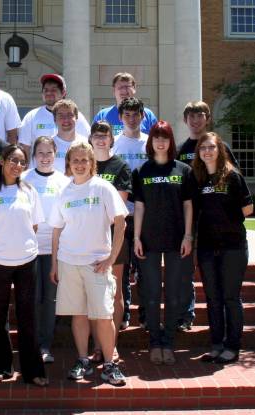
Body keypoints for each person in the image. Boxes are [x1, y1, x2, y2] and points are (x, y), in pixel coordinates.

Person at [48, 141, 128, 386]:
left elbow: (120, 222)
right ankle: (83, 360)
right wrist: (54, 264)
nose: (80, 165)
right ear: (69, 165)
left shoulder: (103, 188)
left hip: (97, 264)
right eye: (75, 161)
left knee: (103, 316)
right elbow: (56, 231)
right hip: (68, 262)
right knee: (79, 315)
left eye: (85, 160)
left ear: (92, 163)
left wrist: (111, 258)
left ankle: (110, 364)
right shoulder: (64, 192)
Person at [0, 144, 48, 387]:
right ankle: (1, 367)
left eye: (22, 162)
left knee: (27, 316)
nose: (17, 166)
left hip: (27, 261)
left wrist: (21, 244)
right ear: (2, 161)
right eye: (13, 160)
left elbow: (34, 225)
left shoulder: (29, 191)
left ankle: (33, 371)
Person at [132, 121, 195, 366]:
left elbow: (189, 204)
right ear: (151, 142)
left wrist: (188, 235)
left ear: (170, 142)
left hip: (176, 240)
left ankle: (168, 341)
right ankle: (155, 342)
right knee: (151, 293)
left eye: (165, 138)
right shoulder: (142, 171)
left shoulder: (183, 171)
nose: (160, 142)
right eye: (157, 138)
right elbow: (139, 206)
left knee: (173, 294)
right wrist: (136, 237)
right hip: (148, 240)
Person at [175, 101, 240, 332]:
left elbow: (236, 184)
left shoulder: (220, 147)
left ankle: (225, 330)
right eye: (191, 116)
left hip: (219, 225)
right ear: (185, 120)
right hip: (191, 219)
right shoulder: (181, 149)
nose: (195, 120)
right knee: (186, 269)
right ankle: (186, 313)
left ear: (208, 118)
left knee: (221, 277)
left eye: (200, 115)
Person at [192, 132, 253, 364]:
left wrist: (226, 220)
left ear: (219, 149)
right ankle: (217, 344)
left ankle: (232, 346)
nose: (207, 151)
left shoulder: (232, 176)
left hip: (233, 247)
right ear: (199, 152)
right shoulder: (198, 178)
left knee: (230, 297)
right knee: (213, 298)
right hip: (207, 248)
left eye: (211, 147)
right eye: (203, 148)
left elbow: (248, 208)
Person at [21, 136, 70, 364]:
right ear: (33, 156)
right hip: (28, 249)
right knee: (31, 299)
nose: (44, 158)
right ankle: (30, 345)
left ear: (55, 154)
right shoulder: (23, 179)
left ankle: (45, 345)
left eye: (48, 153)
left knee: (49, 299)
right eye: (40, 153)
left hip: (54, 250)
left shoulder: (63, 181)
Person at [88, 121, 132, 362]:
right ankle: (97, 345)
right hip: (89, 239)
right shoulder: (85, 165)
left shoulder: (120, 166)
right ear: (91, 139)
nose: (101, 139)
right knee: (94, 294)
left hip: (114, 237)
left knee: (114, 294)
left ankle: (111, 345)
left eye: (105, 136)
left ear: (111, 140)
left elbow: (120, 205)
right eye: (96, 136)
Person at [111, 96, 149, 330]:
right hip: (120, 216)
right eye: (127, 115)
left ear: (142, 116)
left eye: (136, 114)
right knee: (121, 269)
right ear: (120, 117)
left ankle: (145, 315)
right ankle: (122, 315)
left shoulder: (150, 143)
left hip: (145, 215)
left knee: (145, 268)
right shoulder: (114, 143)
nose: (132, 118)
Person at [19, 74, 90, 158]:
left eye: (54, 90)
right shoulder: (31, 116)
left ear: (63, 92)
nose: (49, 93)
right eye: (46, 90)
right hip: (40, 170)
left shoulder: (75, 117)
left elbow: (87, 143)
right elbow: (24, 147)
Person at [93, 72, 158, 137]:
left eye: (127, 87)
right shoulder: (102, 116)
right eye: (120, 87)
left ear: (134, 88)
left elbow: (156, 140)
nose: (124, 91)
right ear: (113, 90)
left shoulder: (148, 115)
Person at [42, 99, 87, 173]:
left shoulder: (86, 143)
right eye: (61, 116)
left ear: (76, 118)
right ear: (54, 119)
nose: (66, 119)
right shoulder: (47, 145)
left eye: (70, 115)